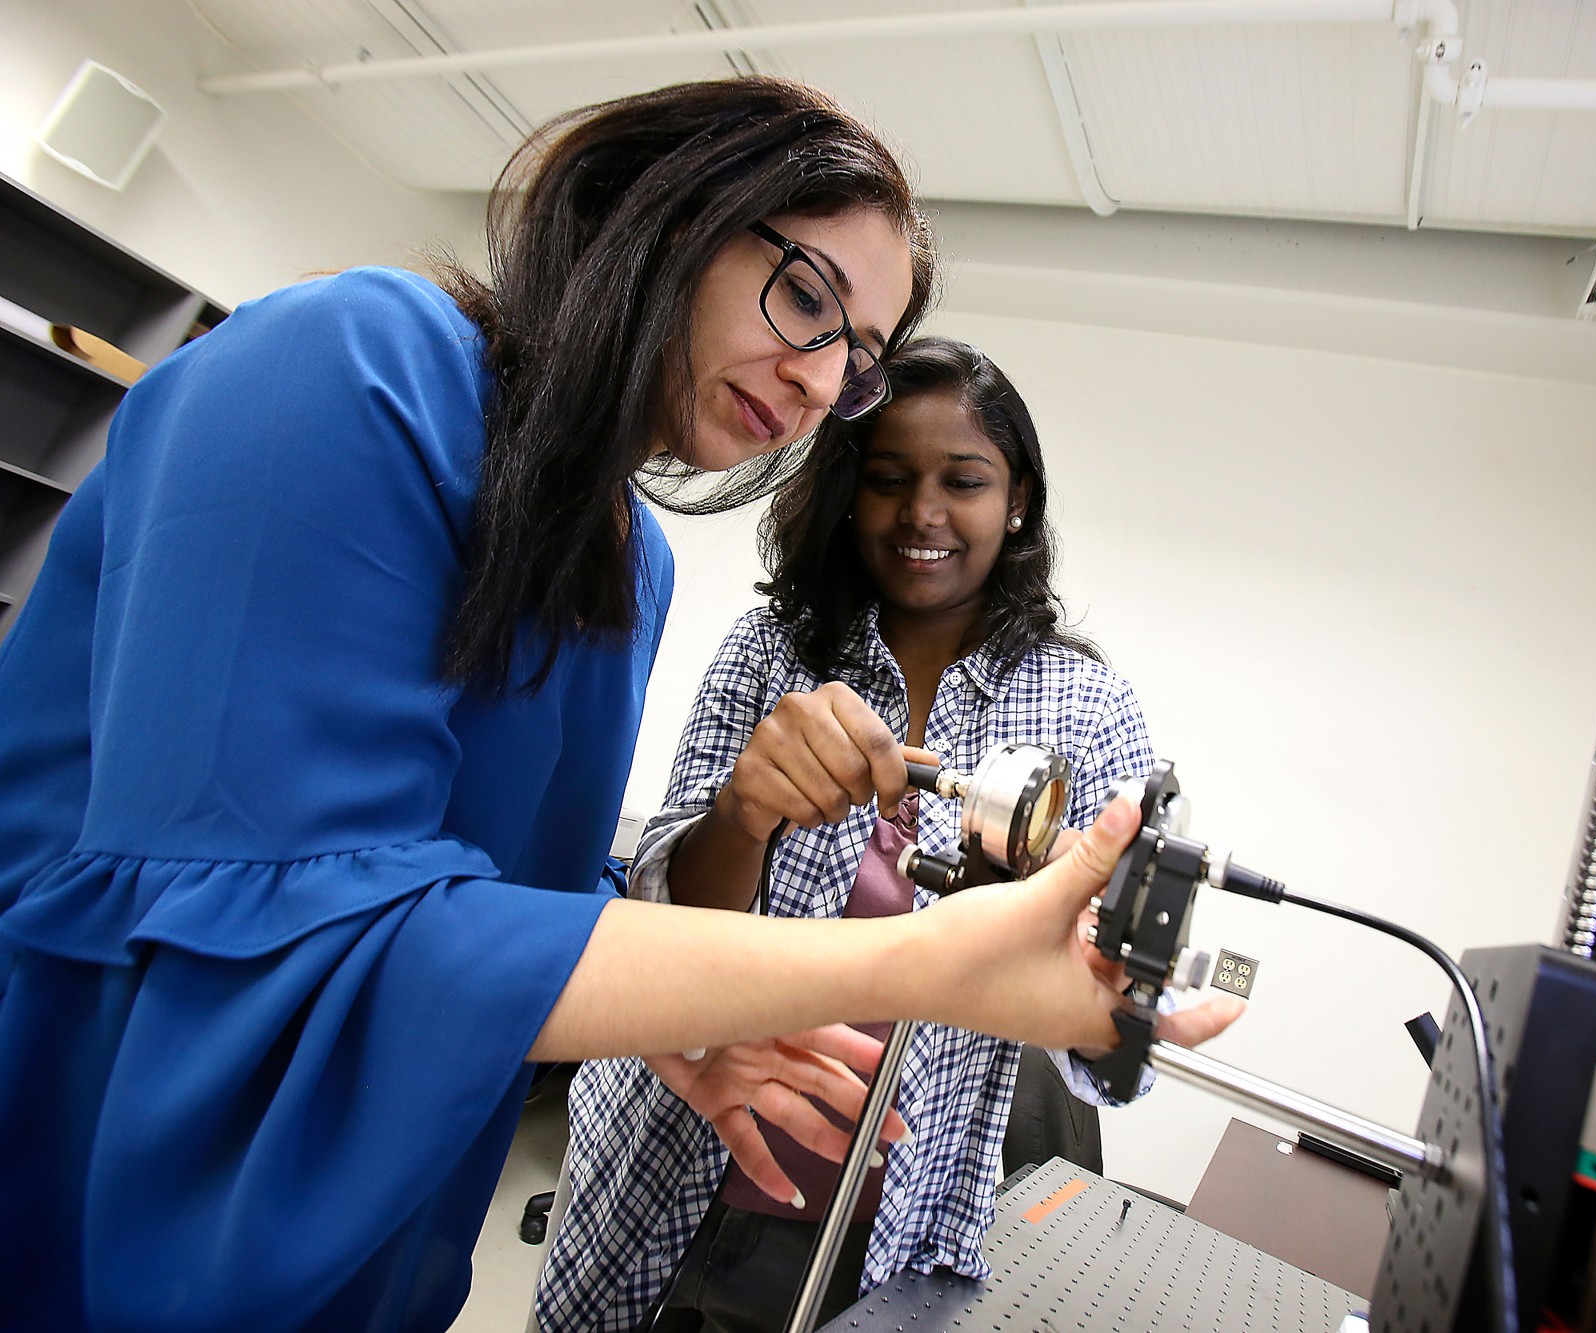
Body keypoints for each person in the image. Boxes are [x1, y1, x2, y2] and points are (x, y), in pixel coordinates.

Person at [0, 79, 1233, 1333]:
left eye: (851, 363)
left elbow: (515, 901)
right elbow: (286, 922)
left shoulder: (622, 562)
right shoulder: (354, 363)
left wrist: (671, 1021)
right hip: (104, 1178)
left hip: (385, 1237)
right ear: (668, 214)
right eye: (806, 299)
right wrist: (910, 957)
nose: (816, 383)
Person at [534, 337, 1240, 1332]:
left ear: (1018, 500)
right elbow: (666, 920)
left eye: (964, 480)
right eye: (887, 479)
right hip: (668, 1166)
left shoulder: (1084, 709)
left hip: (887, 1231)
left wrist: (1121, 1006)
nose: (922, 514)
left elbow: (1098, 1045)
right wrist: (742, 810)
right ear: (844, 494)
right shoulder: (771, 651)